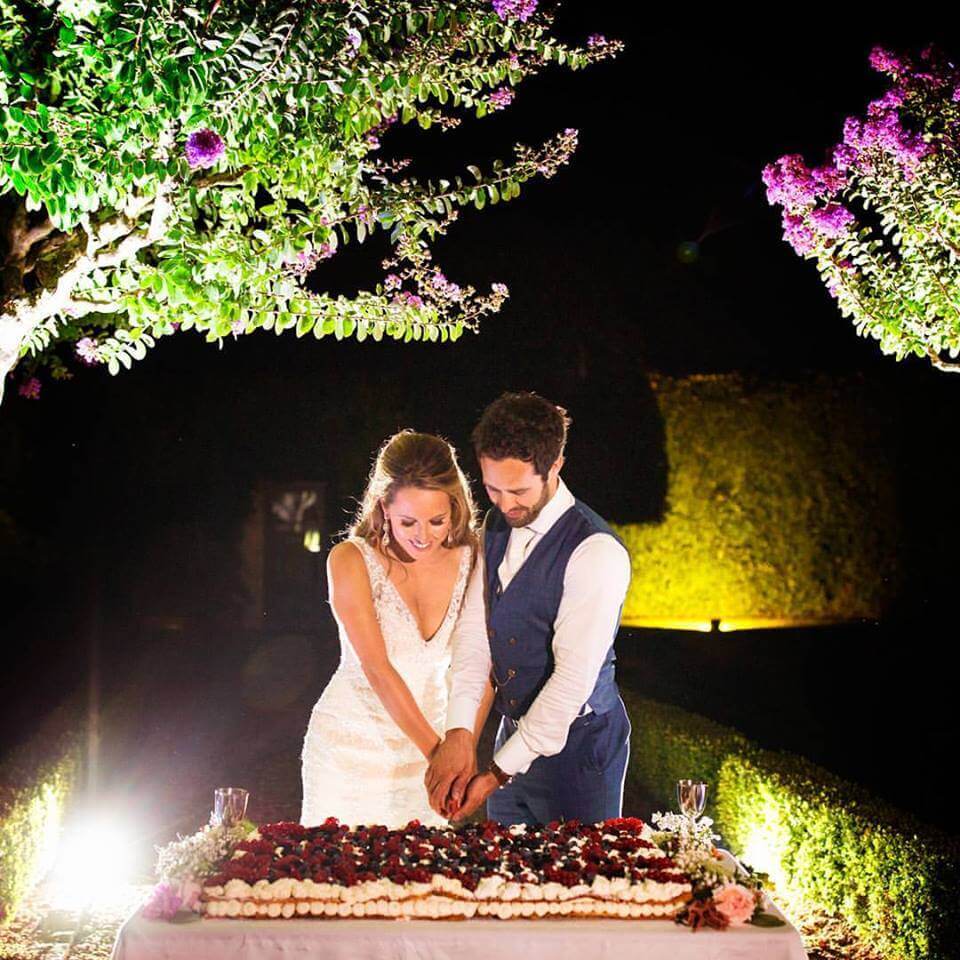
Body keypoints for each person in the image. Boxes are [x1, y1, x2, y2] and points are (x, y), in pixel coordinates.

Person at [425, 392, 632, 826]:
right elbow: (477, 632)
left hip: (581, 748)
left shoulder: (595, 553)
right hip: (514, 731)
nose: (504, 503)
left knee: (579, 886)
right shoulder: (497, 523)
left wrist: (494, 775)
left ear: (555, 466)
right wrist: (461, 731)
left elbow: (570, 683)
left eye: (518, 490)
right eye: (492, 488)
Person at [300, 430, 491, 828]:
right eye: (408, 521)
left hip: (437, 746)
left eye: (437, 520)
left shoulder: (476, 559)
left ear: (455, 508)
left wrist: (463, 748)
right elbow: (377, 667)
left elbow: (481, 662)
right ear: (384, 507)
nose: (423, 536)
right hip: (349, 749)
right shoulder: (349, 560)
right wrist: (438, 757)